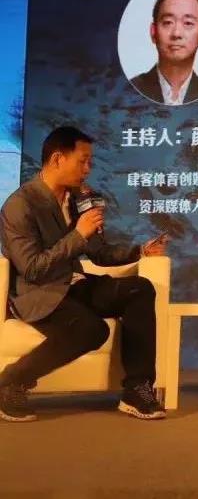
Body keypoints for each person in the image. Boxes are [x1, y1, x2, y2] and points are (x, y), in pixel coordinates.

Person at [0, 126, 169, 422]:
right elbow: (32, 268)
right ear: (57, 159)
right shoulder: (20, 205)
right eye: (83, 161)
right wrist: (78, 234)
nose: (88, 169)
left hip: (75, 284)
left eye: (90, 162)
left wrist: (139, 251)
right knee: (92, 330)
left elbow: (99, 253)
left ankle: (137, 389)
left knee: (140, 288)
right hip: (38, 293)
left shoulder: (79, 199)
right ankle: (10, 381)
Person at [130, 0, 198, 105]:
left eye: (188, 23)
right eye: (168, 22)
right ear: (153, 32)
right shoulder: (130, 89)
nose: (176, 33)